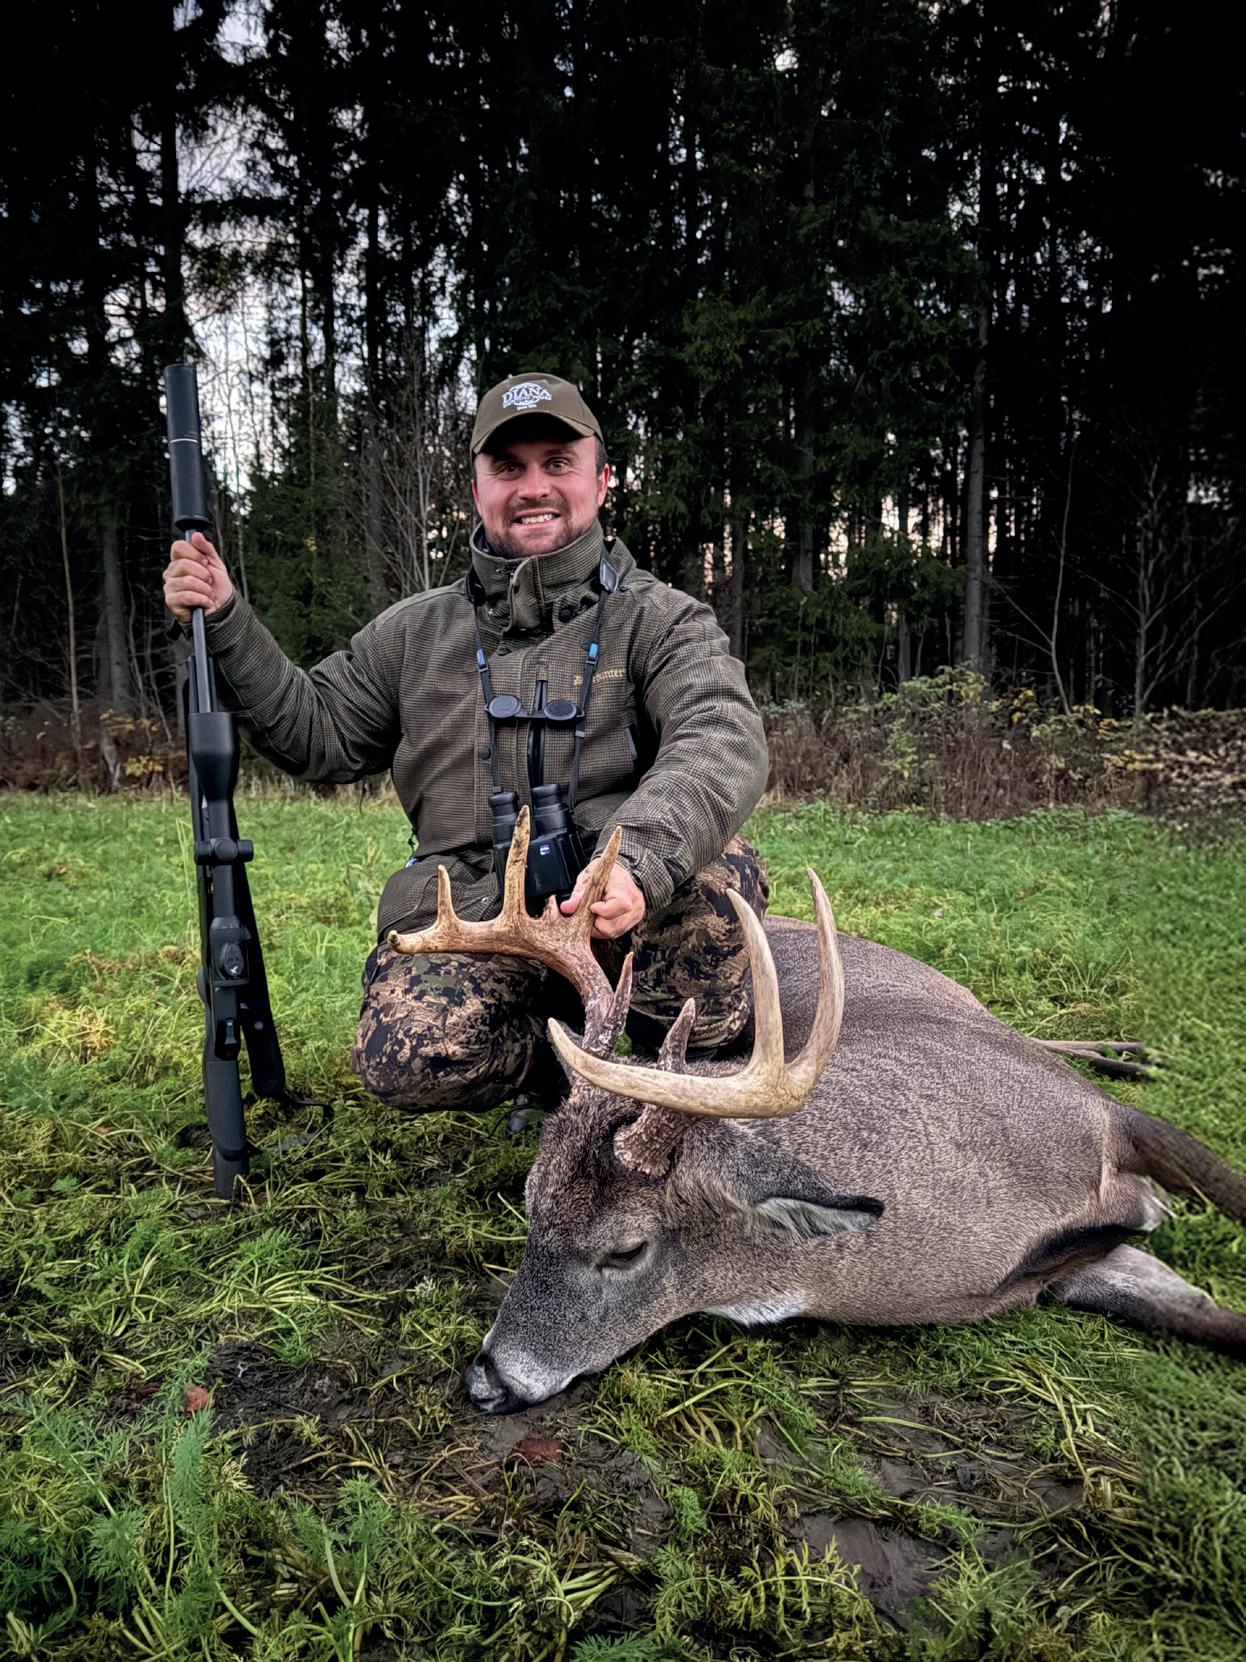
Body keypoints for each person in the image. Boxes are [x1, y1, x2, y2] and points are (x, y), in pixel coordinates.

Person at [163, 372, 769, 1112]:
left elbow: (720, 733)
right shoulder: (413, 632)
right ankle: (558, 1067)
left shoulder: (663, 620)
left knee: (711, 916)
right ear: (476, 489)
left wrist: (638, 862)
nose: (533, 487)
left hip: (620, 905)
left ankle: (670, 1053)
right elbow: (317, 733)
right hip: (475, 914)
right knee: (409, 1056)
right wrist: (226, 618)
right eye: (508, 467)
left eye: (557, 462)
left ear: (602, 479)